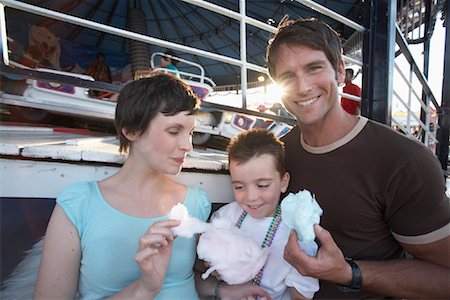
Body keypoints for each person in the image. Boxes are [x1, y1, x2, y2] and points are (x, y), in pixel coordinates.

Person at [265, 17, 450, 299]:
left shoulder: (404, 162)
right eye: (288, 76)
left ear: (340, 71)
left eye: (314, 68)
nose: (302, 87)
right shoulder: (277, 155)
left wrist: (349, 273)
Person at [33, 73, 212, 299]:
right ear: (130, 131)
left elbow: (185, 278)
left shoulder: (197, 202)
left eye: (191, 133)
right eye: (174, 131)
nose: (188, 146)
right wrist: (144, 288)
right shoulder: (79, 204)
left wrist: (222, 289)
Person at [198, 128, 319, 300]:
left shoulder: (297, 236)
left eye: (262, 185)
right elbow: (205, 263)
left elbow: (301, 295)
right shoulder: (225, 218)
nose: (251, 197)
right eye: (239, 187)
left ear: (283, 182)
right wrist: (213, 265)